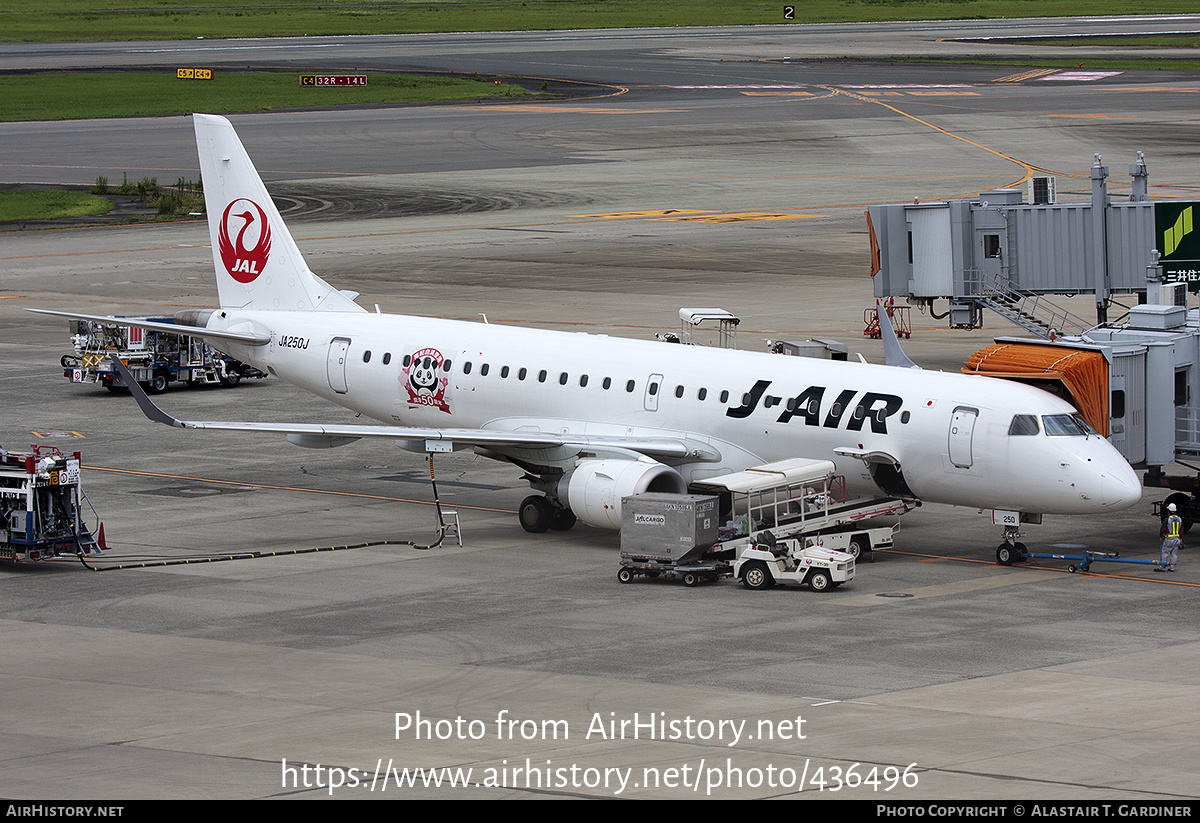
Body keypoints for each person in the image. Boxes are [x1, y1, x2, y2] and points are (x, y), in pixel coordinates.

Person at [1158, 503, 1182, 572]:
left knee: (1165, 552)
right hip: (1176, 539)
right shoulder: (1179, 519)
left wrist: (1161, 536)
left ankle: (1162, 567)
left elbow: (1163, 528)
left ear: (1168, 511)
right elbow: (1181, 529)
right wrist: (1180, 538)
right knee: (1174, 553)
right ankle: (1172, 567)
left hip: (1169, 539)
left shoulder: (1167, 519)